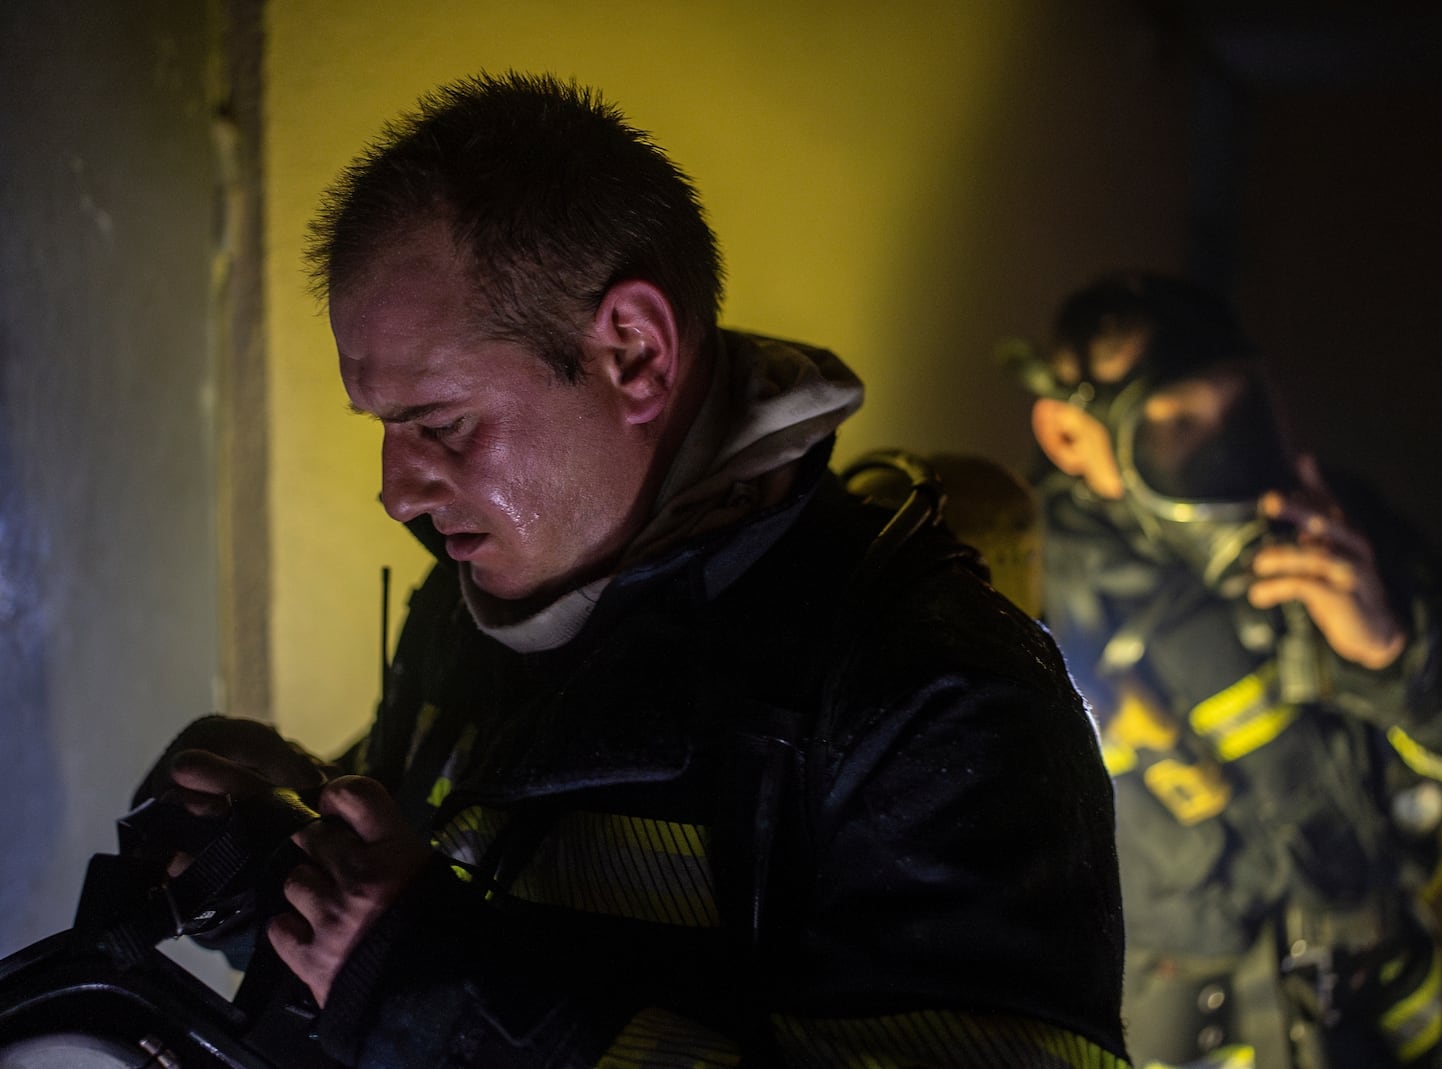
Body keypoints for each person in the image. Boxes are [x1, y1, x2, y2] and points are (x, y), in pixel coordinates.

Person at [132, 72, 1130, 1068]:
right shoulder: (484, 607)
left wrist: (447, 1003)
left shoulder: (930, 698)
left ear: (634, 352)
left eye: (439, 424)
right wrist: (272, 853)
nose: (398, 493)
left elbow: (425, 969)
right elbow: (414, 905)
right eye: (386, 429)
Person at [1008, 272, 1442, 1069]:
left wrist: (1392, 653)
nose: (1224, 452)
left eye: (1238, 410)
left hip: (1396, 1016)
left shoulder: (1335, 530)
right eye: (1175, 424)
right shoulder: (1027, 595)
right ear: (1068, 435)